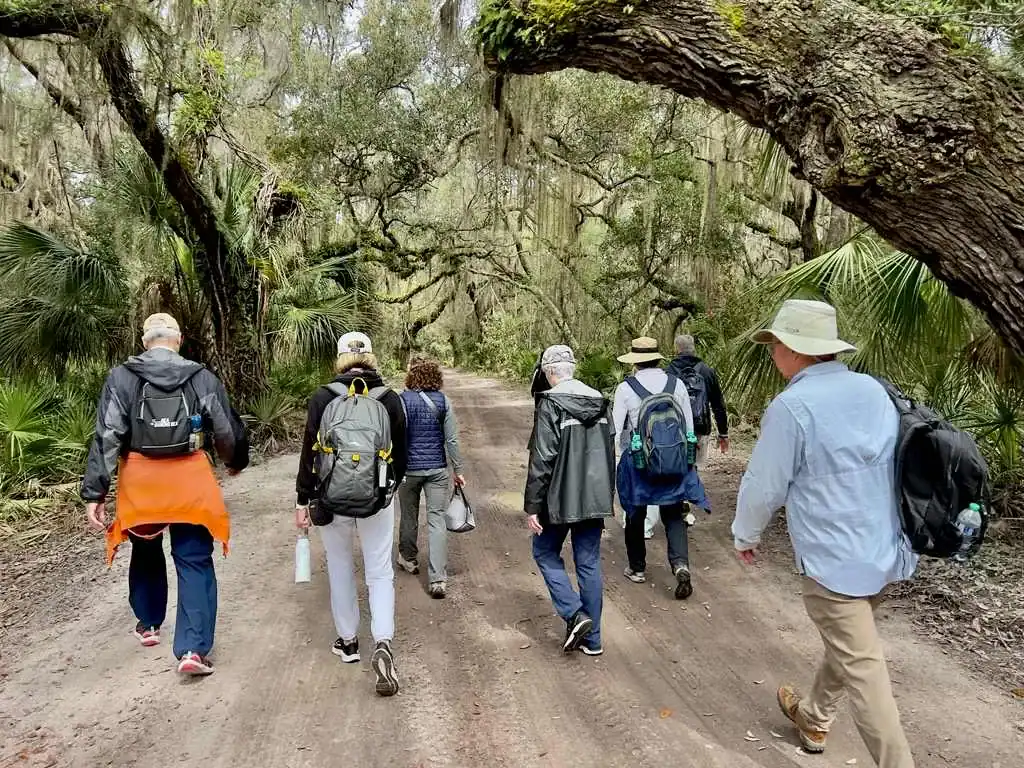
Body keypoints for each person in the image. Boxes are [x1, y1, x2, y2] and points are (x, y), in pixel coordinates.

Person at [731, 299, 917, 767]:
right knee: (852, 644)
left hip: (834, 563)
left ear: (794, 350)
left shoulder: (793, 407)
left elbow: (763, 485)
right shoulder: (874, 391)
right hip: (886, 552)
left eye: (775, 344)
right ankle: (813, 716)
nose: (772, 353)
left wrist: (745, 535)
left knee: (865, 669)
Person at [81, 313, 249, 677]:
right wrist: (234, 460)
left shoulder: (122, 377)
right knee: (193, 558)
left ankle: (149, 622)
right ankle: (192, 648)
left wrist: (95, 490)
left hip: (140, 480)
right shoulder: (199, 376)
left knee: (145, 547)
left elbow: (108, 434)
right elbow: (224, 426)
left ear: (145, 341)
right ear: (180, 339)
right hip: (189, 477)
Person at [295, 332, 408, 697]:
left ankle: (348, 642)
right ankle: (383, 641)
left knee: (340, 566)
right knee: (379, 571)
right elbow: (401, 455)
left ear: (339, 358)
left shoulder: (322, 397)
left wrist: (303, 500)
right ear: (372, 357)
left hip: (330, 499)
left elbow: (310, 454)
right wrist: (387, 489)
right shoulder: (390, 399)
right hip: (376, 500)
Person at [525, 345, 614, 655]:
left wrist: (533, 506)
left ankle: (575, 614)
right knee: (588, 562)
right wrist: (607, 497)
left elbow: (543, 457)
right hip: (594, 498)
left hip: (557, 499)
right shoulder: (601, 402)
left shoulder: (550, 403)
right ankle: (594, 640)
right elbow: (609, 453)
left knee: (544, 551)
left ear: (550, 373)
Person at [612, 336, 708, 600]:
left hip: (640, 463)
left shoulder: (625, 389)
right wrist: (686, 461)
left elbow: (616, 429)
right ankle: (680, 565)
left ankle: (637, 568)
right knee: (673, 514)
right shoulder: (675, 384)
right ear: (657, 359)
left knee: (635, 513)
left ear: (635, 363)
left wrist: (620, 459)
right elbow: (688, 428)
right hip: (674, 462)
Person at [397, 356, 466, 599]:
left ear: (411, 375)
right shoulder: (443, 400)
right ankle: (438, 580)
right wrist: (458, 470)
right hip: (437, 469)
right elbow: (452, 440)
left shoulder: (401, 400)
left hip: (408, 470)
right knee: (437, 520)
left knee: (408, 514)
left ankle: (409, 559)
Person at [666, 334, 729, 468]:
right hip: (700, 427)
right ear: (693, 349)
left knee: (678, 467)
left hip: (675, 428)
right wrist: (723, 433)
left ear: (677, 350)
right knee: (696, 468)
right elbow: (718, 405)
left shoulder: (668, 372)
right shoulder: (707, 371)